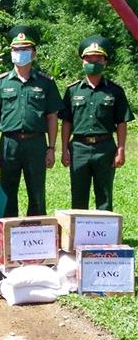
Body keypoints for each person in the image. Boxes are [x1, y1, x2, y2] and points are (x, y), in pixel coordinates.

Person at [0, 25, 63, 218]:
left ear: (33, 53)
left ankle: (35, 237)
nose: (20, 53)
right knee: (7, 191)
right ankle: (6, 239)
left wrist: (51, 148)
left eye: (25, 49)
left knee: (37, 192)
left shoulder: (46, 83)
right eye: (16, 50)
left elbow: (52, 117)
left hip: (36, 143)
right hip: (9, 143)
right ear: (11, 53)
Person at [59, 35, 134, 211]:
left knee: (105, 195)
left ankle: (105, 235)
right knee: (78, 195)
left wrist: (121, 149)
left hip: (105, 148)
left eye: (98, 58)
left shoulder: (115, 91)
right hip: (79, 149)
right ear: (82, 62)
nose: (93, 62)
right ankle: (79, 236)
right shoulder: (72, 90)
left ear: (105, 62)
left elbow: (122, 122)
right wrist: (64, 149)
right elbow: (67, 122)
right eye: (89, 59)